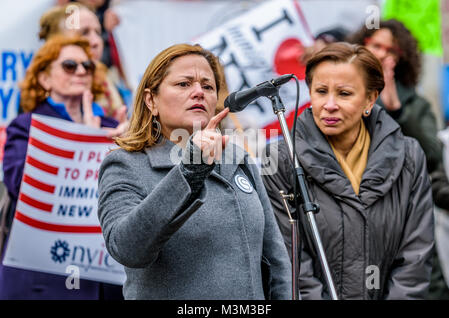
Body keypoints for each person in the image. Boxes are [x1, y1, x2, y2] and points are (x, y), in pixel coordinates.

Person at [97, 43, 292, 300]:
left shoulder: (238, 158)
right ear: (151, 100)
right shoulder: (126, 164)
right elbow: (127, 249)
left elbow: (276, 259)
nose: (198, 92)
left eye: (208, 86)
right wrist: (190, 170)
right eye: (184, 84)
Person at [262, 42, 434, 299]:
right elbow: (291, 262)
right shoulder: (281, 159)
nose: (329, 104)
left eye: (344, 94)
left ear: (370, 98)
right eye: (321, 91)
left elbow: (415, 258)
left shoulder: (409, 155)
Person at [0, 35, 125, 299]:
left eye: (87, 66)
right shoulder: (26, 126)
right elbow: (22, 186)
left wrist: (131, 145)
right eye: (70, 65)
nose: (81, 71)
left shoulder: (113, 129)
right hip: (43, 280)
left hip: (104, 281)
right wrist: (85, 144)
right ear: (45, 79)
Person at [347, 19, 449, 299]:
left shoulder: (416, 105)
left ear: (401, 59)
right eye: (376, 45)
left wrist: (396, 110)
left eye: (391, 50)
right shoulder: (342, 100)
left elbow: (433, 154)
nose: (382, 54)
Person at [39, 2, 131, 120]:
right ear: (58, 41)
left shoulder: (110, 83)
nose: (96, 41)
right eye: (84, 32)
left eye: (98, 32)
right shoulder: (38, 96)